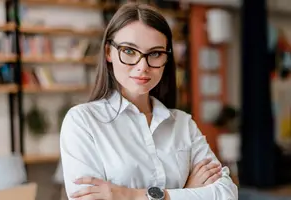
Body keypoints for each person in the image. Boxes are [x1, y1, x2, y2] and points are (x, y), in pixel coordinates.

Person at [60, 2, 238, 200]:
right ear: (109, 52)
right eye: (129, 51)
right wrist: (187, 191)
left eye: (155, 53)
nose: (142, 66)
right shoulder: (82, 122)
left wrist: (133, 195)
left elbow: (227, 193)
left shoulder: (182, 124)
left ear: (166, 59)